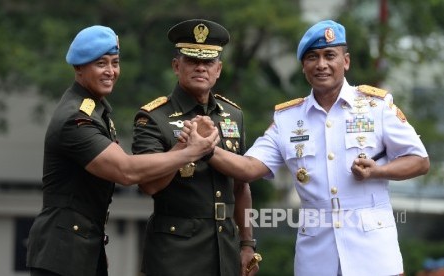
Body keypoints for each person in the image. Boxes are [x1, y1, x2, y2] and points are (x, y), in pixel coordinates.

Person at [183, 19, 430, 276]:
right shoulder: (288, 119)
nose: (321, 64)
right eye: (312, 57)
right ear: (303, 67)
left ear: (345, 61)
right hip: (316, 257)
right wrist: (207, 148)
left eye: (329, 55)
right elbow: (248, 168)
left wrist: (378, 171)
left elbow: (420, 160)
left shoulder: (376, 106)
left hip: (374, 254)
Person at [26, 25, 219, 276]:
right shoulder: (76, 118)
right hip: (63, 252)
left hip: (82, 246)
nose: (110, 72)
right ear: (79, 68)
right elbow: (126, 171)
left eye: (115, 63)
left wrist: (182, 145)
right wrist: (189, 152)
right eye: (101, 64)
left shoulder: (97, 111)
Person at [131, 19, 259, 276]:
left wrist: (246, 244)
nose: (201, 68)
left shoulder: (233, 115)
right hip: (176, 252)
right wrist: (184, 148)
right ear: (176, 66)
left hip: (224, 248)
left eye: (208, 62)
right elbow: (148, 185)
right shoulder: (153, 117)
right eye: (192, 61)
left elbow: (241, 186)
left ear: (219, 69)